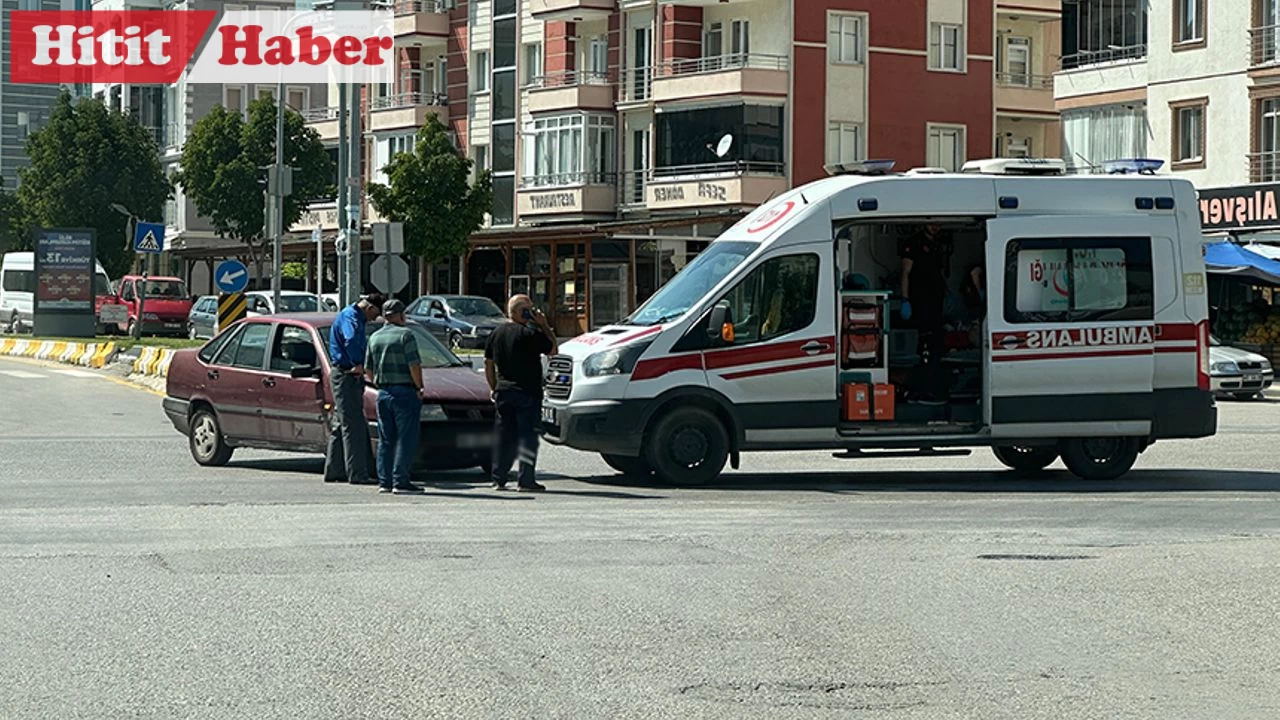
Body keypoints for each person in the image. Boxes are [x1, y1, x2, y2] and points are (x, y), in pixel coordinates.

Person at [484, 294, 557, 492]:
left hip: (504, 391)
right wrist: (544, 325)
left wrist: (493, 387)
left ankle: (498, 477)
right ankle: (526, 480)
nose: (532, 312)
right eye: (528, 309)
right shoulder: (529, 335)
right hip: (527, 393)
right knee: (527, 437)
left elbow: (488, 363)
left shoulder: (496, 333)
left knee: (505, 436)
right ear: (517, 312)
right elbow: (552, 350)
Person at [364, 299, 427, 495]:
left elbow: (368, 368)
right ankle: (401, 481)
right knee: (406, 438)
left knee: (386, 439)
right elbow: (414, 365)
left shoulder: (374, 337)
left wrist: (379, 383)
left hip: (383, 392)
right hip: (405, 392)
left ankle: (385, 481)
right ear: (400, 315)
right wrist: (419, 386)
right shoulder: (406, 335)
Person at [324, 293, 385, 484]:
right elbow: (351, 340)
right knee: (354, 426)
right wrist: (357, 363)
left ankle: (335, 470)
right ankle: (358, 474)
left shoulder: (351, 315)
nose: (374, 319)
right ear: (370, 308)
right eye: (375, 315)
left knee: (341, 424)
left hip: (344, 374)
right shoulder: (351, 317)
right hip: (347, 374)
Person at [899, 224, 952, 402]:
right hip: (919, 302)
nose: (935, 227)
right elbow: (905, 272)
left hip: (935, 301)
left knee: (936, 345)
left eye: (938, 223)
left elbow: (939, 273)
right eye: (931, 223)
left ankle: (931, 389)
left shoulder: (939, 244)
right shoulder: (914, 243)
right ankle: (921, 390)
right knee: (925, 348)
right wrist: (905, 299)